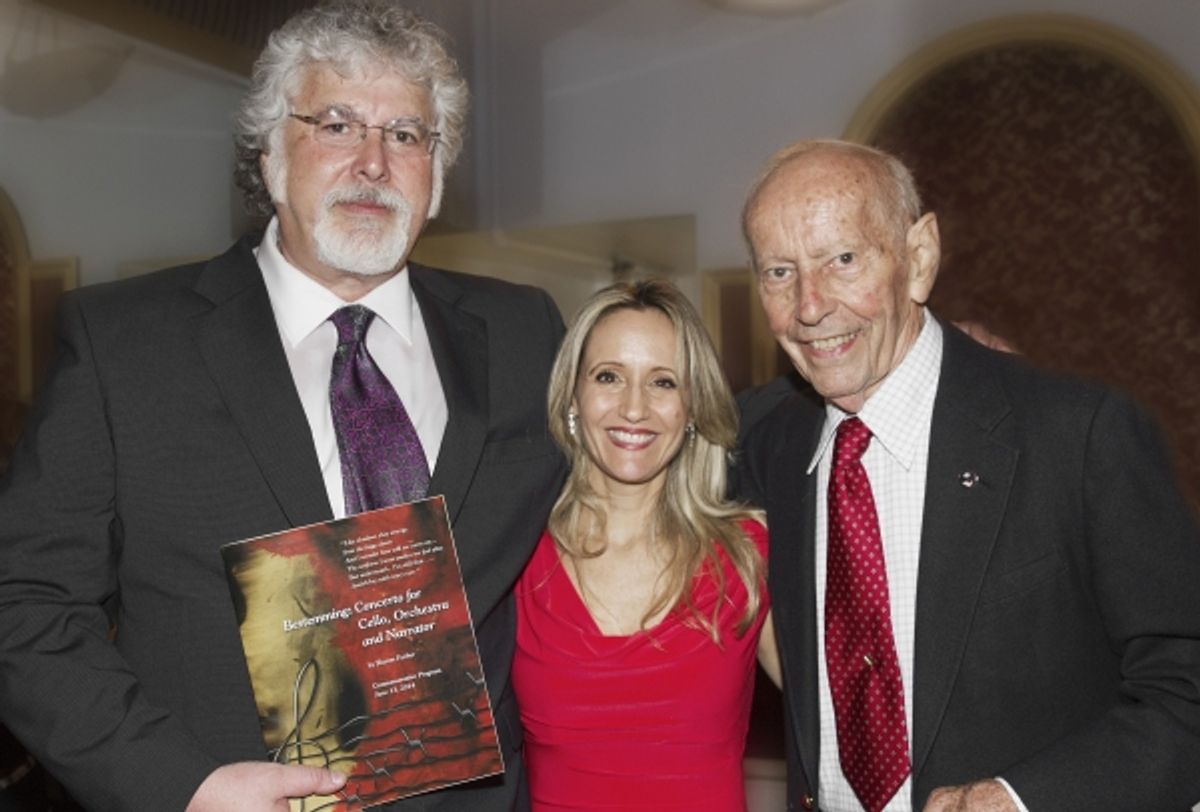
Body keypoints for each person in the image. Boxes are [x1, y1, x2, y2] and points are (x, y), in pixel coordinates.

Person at [0, 2, 565, 810]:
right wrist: (180, 787)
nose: (373, 161)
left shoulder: (522, 333)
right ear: (268, 157)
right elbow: (22, 605)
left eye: (406, 135)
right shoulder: (125, 345)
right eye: (336, 124)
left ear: (436, 179)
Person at [735, 139, 1200, 812]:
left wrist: (1021, 799)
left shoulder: (1077, 432)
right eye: (779, 272)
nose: (810, 306)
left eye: (843, 260)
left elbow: (1187, 690)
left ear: (919, 258)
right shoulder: (768, 448)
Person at [512, 280, 781, 811]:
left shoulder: (747, 555)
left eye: (662, 382)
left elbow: (846, 722)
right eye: (608, 376)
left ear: (692, 409)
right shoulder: (514, 555)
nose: (634, 408)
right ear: (573, 397)